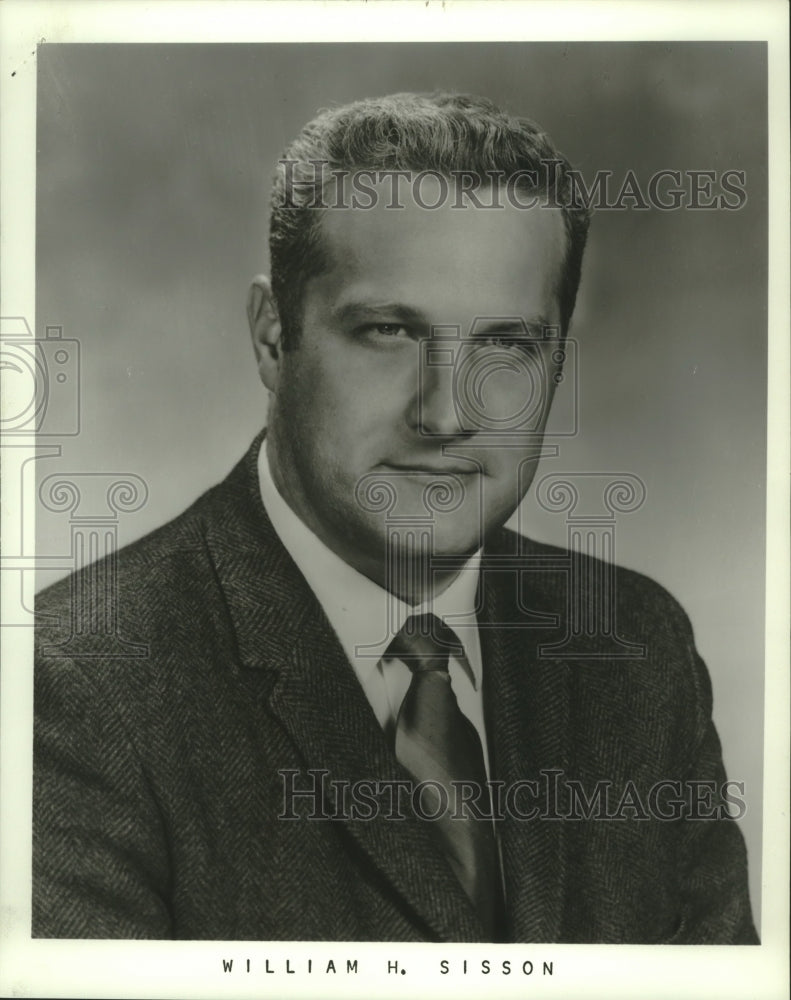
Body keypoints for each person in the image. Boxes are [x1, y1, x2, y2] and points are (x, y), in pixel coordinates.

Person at [33, 92, 757, 943]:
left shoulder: (635, 647)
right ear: (273, 337)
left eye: (505, 345)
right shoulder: (76, 685)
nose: (447, 414)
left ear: (557, 359)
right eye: (387, 330)